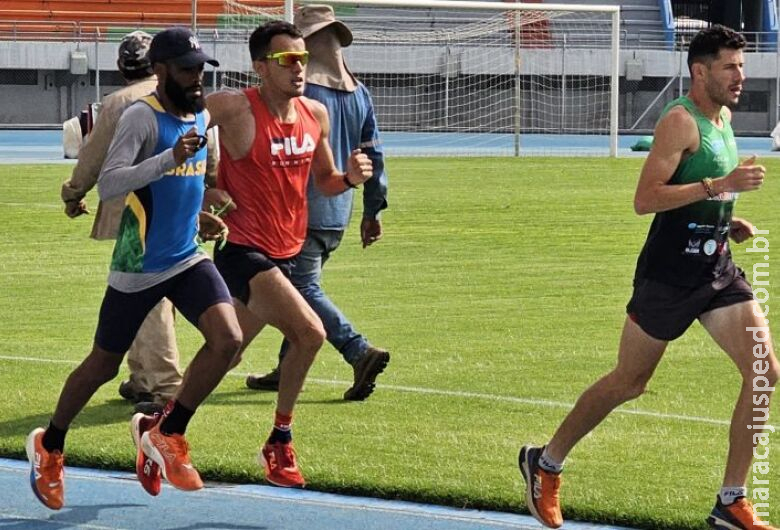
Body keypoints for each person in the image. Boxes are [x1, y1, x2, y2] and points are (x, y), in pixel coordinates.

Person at [519, 25, 778, 530]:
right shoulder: (680, 122)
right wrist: (720, 184)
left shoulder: (722, 117)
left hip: (715, 267)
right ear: (699, 71)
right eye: (730, 66)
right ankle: (544, 463)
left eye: (742, 66)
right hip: (668, 275)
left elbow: (703, 190)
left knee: (766, 373)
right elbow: (646, 200)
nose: (740, 76)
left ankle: (730, 500)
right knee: (629, 382)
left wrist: (726, 214)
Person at [27, 27, 243, 510]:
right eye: (187, 69)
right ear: (161, 70)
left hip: (186, 256)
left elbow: (185, 185)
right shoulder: (142, 118)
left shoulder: (201, 115)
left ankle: (165, 431)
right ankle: (51, 444)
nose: (196, 78)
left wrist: (201, 212)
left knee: (228, 341)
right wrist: (170, 157)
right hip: (139, 265)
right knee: (102, 365)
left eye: (200, 69)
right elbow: (111, 184)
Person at [206, 20, 373, 488]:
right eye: (287, 60)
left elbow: (327, 180)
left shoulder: (316, 113)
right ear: (261, 67)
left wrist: (354, 181)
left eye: (303, 58)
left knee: (227, 354)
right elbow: (176, 124)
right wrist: (202, 189)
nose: (300, 67)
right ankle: (280, 440)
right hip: (241, 249)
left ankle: (162, 425)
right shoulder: (234, 106)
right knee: (309, 334)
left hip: (285, 250)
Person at [245, 5, 390, 401]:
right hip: (338, 209)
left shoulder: (299, 94)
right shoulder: (360, 93)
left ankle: (357, 350)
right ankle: (285, 366)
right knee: (295, 288)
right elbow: (374, 156)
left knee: (301, 287)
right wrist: (373, 210)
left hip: (297, 209)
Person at [60, 30, 183, 416]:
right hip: (179, 208)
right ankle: (143, 376)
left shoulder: (118, 103)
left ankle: (164, 385)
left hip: (137, 213)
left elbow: (92, 158)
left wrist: (73, 192)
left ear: (121, 66)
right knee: (155, 292)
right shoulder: (180, 95)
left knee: (146, 297)